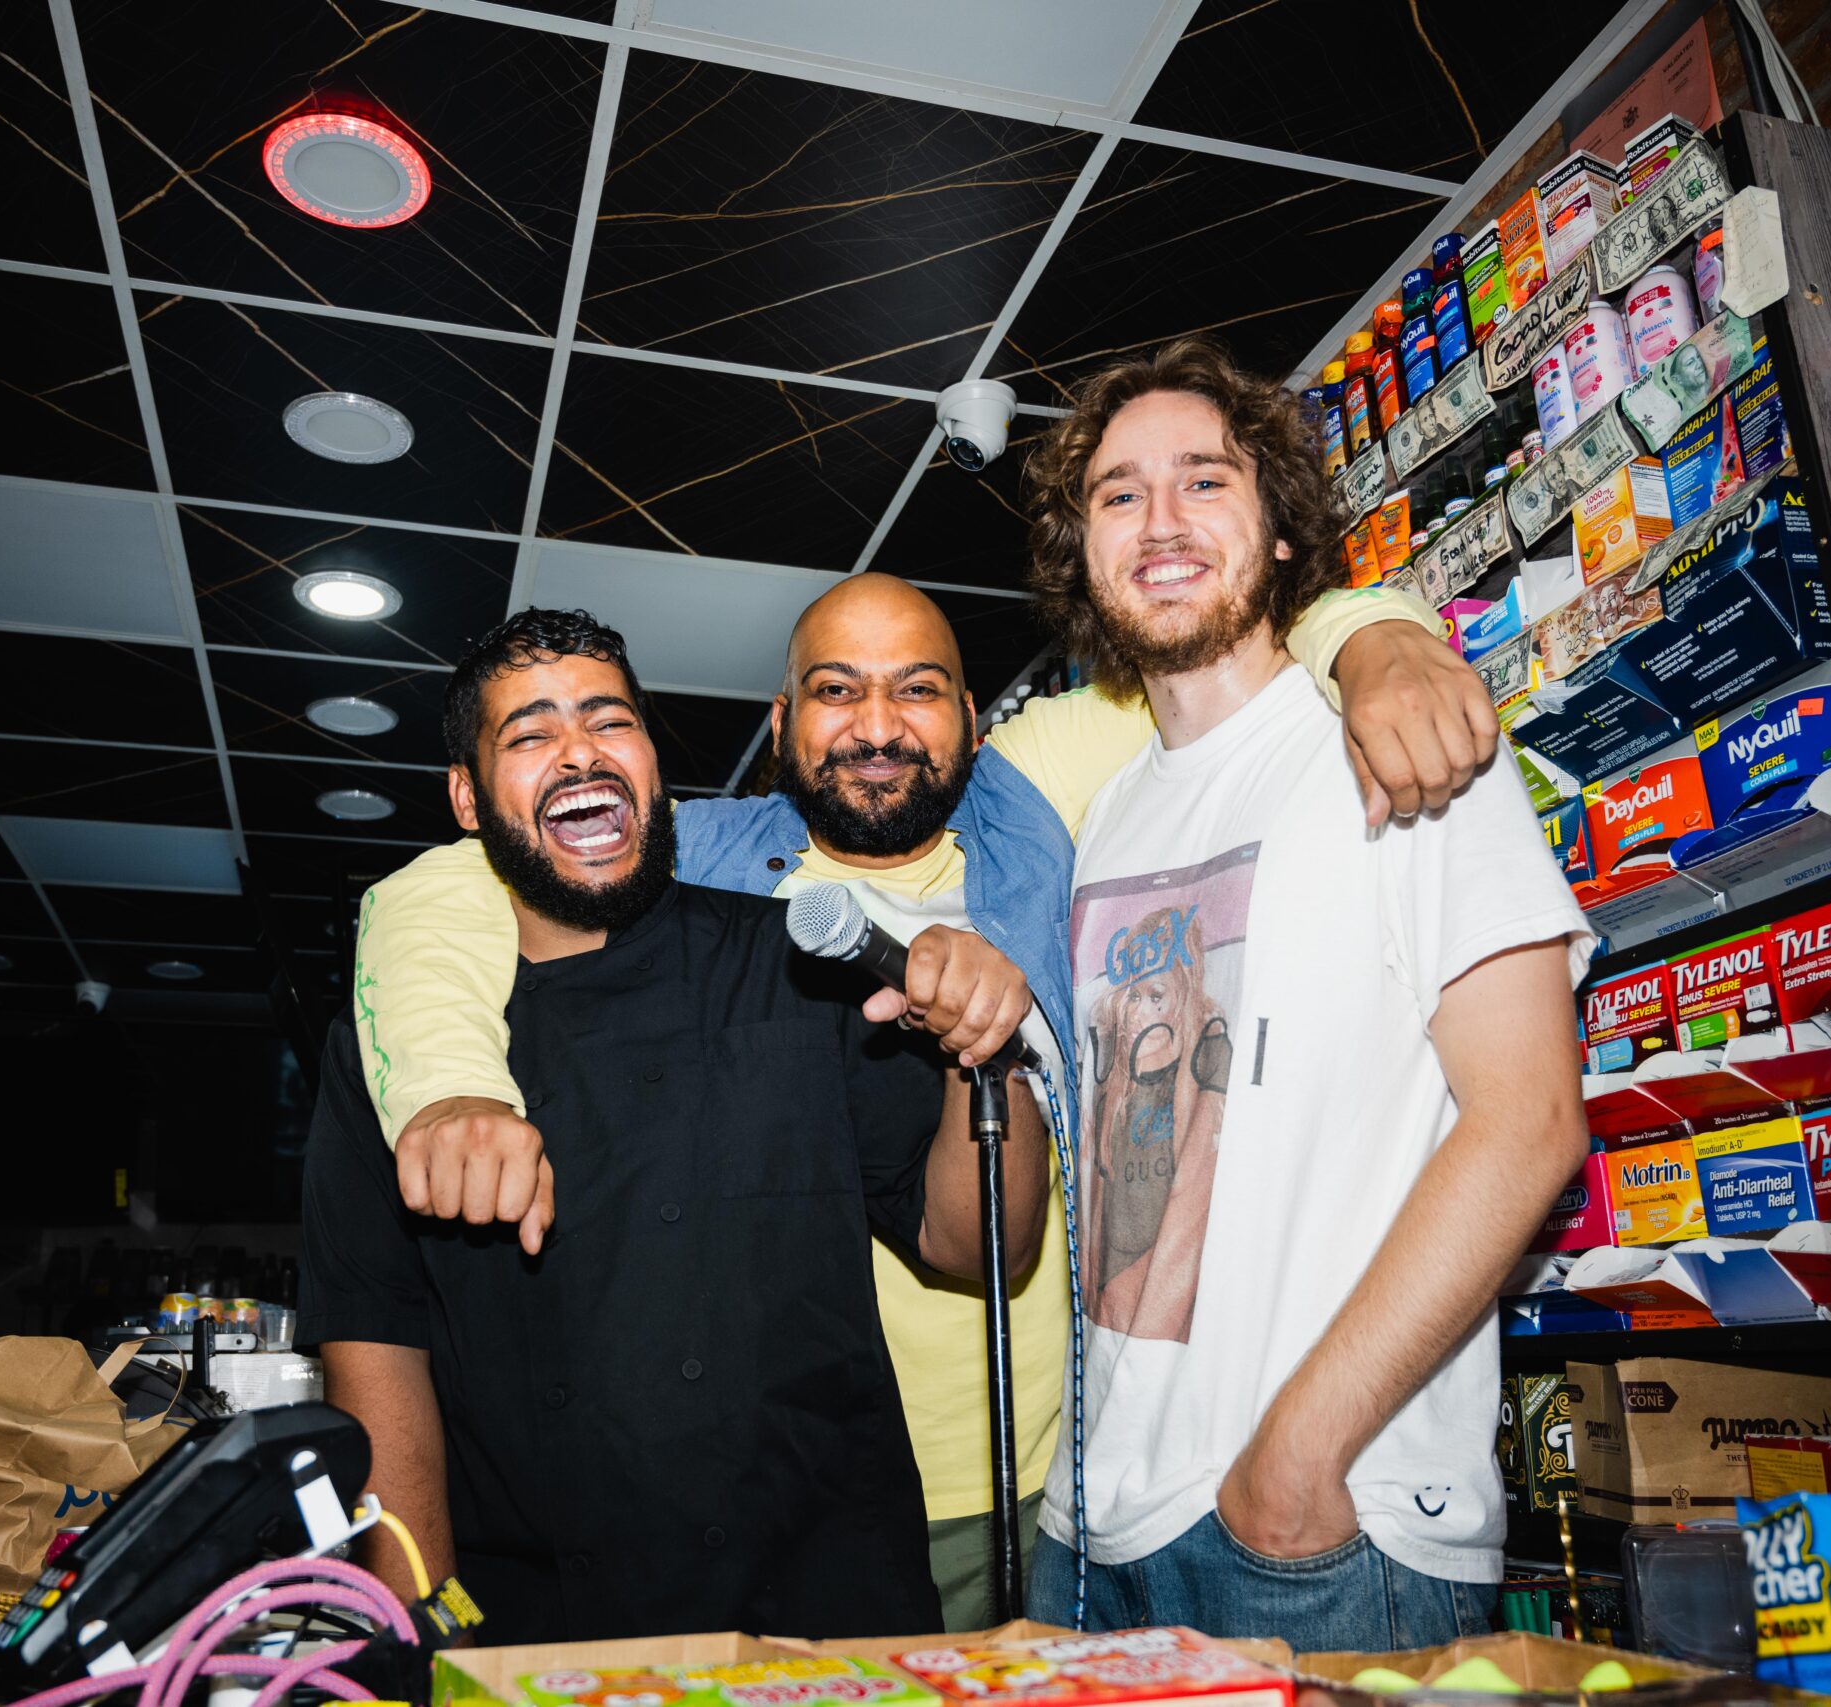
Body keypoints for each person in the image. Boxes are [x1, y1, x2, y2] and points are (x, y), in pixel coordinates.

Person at [351, 573, 1499, 1626]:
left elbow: (1208, 618)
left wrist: (1377, 638)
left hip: (1055, 1466)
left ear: (974, 717)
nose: (877, 725)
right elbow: (443, 881)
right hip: (794, 1493)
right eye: (834, 691)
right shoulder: (687, 857)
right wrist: (448, 1087)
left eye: (919, 688)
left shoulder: (1039, 790)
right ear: (780, 723)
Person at [301, 608, 1048, 1645]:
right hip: (544, 1632)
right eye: (530, 735)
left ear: (653, 761)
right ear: (467, 801)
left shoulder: (802, 963)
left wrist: (988, 1058)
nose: (579, 752)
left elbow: (975, 1248)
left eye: (610, 720)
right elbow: (376, 1350)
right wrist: (418, 1630)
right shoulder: (396, 1051)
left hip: (832, 1617)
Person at [1021, 337, 1593, 1649]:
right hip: (1090, 1535)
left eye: (1204, 481)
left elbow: (1531, 1118)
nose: (1161, 521)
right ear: (1083, 551)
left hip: (1314, 1534)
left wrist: (1297, 1455)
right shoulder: (1103, 820)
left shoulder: (1396, 740)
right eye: (1117, 493)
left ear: (1279, 530)